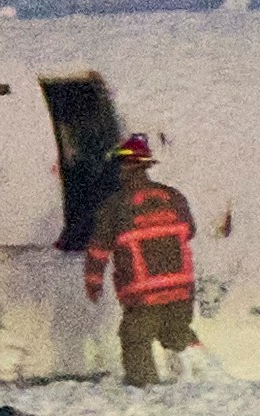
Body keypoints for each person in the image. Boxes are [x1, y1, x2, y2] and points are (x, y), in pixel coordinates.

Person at [83, 134, 200, 386]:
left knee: (135, 340)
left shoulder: (114, 206)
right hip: (181, 288)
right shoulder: (174, 197)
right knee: (177, 336)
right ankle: (196, 383)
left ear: (125, 168)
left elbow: (98, 251)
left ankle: (146, 396)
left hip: (144, 293)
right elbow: (189, 230)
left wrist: (93, 283)